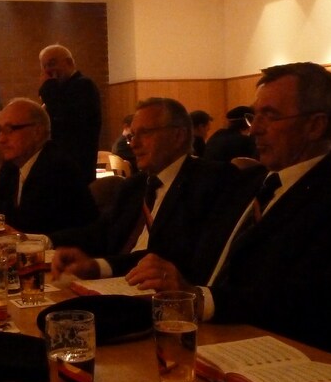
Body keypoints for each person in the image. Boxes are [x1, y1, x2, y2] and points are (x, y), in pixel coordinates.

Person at [128, 63, 331, 358]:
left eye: (270, 116)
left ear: (315, 125)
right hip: (204, 338)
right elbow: (199, 254)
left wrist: (200, 299)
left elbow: (304, 301)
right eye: (254, 116)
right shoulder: (247, 182)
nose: (255, 130)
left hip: (282, 357)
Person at [50, 98, 238, 282]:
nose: (134, 144)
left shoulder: (209, 181)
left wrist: (100, 266)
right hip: (113, 284)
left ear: (178, 136)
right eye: (132, 136)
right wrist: (47, 241)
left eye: (145, 133)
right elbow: (102, 231)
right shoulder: (135, 185)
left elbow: (169, 254)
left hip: (160, 291)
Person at [0, 97, 98, 235]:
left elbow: (20, 228)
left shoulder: (56, 167)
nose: (1, 139)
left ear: (37, 132)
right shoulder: (11, 169)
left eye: (10, 130)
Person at [38, 44, 102, 175]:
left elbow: (64, 119)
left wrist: (48, 86)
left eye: (52, 64)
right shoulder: (59, 90)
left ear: (70, 63)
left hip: (77, 167)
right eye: (44, 67)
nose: (48, 71)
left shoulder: (84, 86)